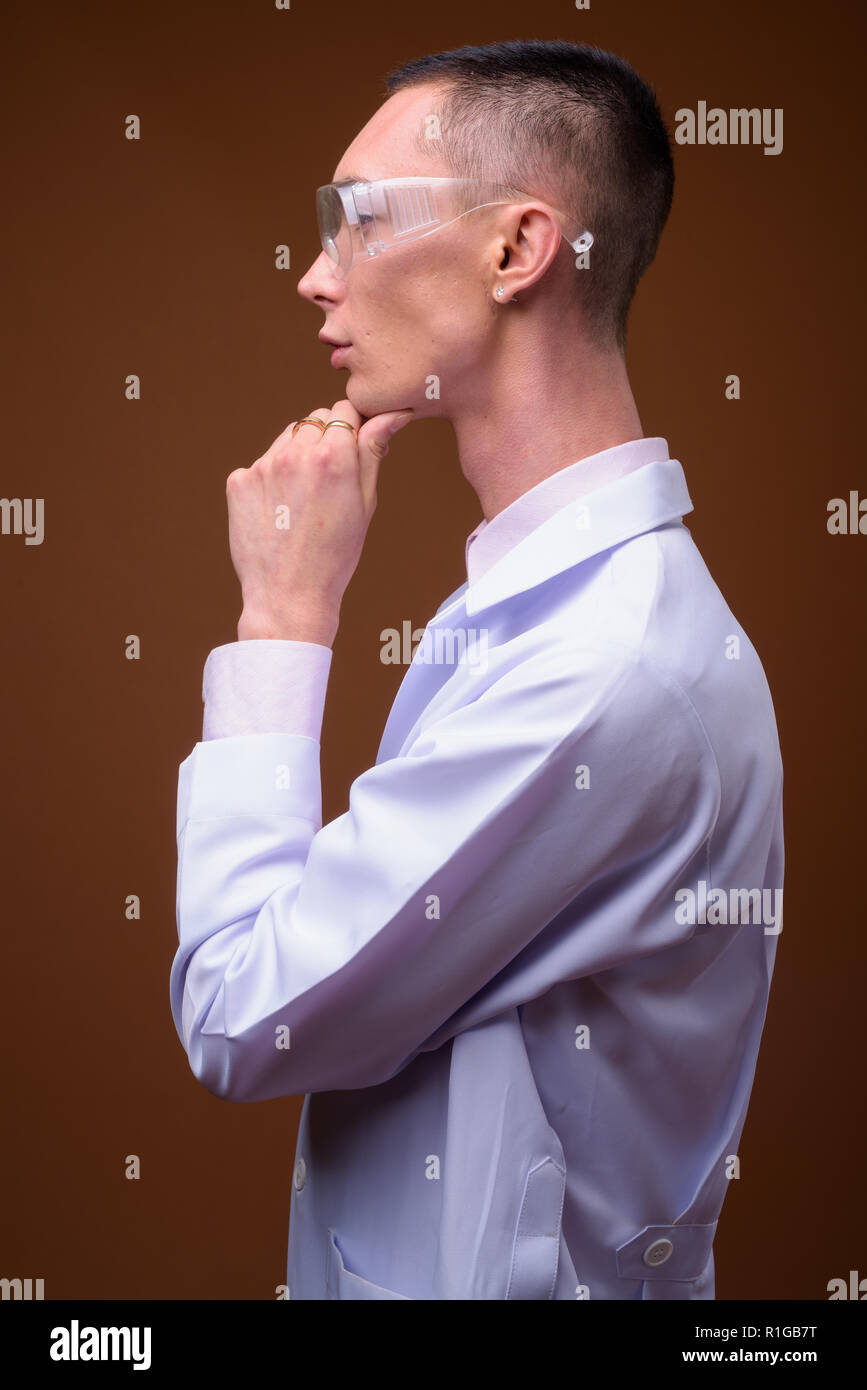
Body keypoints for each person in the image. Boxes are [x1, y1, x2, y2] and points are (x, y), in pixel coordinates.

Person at [169, 39, 784, 1300]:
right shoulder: (533, 608)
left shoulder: (600, 671)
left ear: (517, 250)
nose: (312, 276)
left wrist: (283, 615)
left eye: (353, 220)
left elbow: (241, 1008)